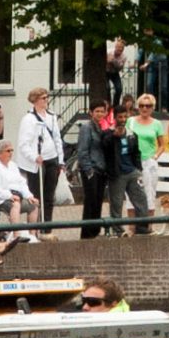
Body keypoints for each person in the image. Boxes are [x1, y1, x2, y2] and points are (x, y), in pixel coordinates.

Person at [74, 101, 129, 238]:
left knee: (98, 201)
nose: (99, 114)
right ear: (91, 113)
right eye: (97, 111)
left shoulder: (100, 127)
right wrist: (88, 170)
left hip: (101, 170)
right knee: (90, 201)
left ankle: (95, 231)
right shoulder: (87, 128)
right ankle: (87, 234)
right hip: (91, 169)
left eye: (102, 111)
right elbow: (82, 150)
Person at [15, 88, 64, 225]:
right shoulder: (29, 119)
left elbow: (57, 139)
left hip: (52, 159)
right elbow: (23, 144)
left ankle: (47, 226)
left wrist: (61, 161)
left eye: (47, 97)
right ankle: (34, 227)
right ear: (35, 100)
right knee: (36, 197)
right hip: (37, 163)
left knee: (49, 196)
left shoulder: (51, 116)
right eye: (43, 98)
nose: (46, 100)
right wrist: (34, 156)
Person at [125, 93, 167, 229]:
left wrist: (155, 157)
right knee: (131, 194)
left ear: (152, 108)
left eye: (148, 106)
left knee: (149, 194)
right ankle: (132, 227)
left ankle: (148, 226)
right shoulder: (130, 121)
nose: (144, 108)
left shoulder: (157, 124)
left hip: (148, 161)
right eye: (142, 105)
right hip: (132, 162)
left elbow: (162, 144)